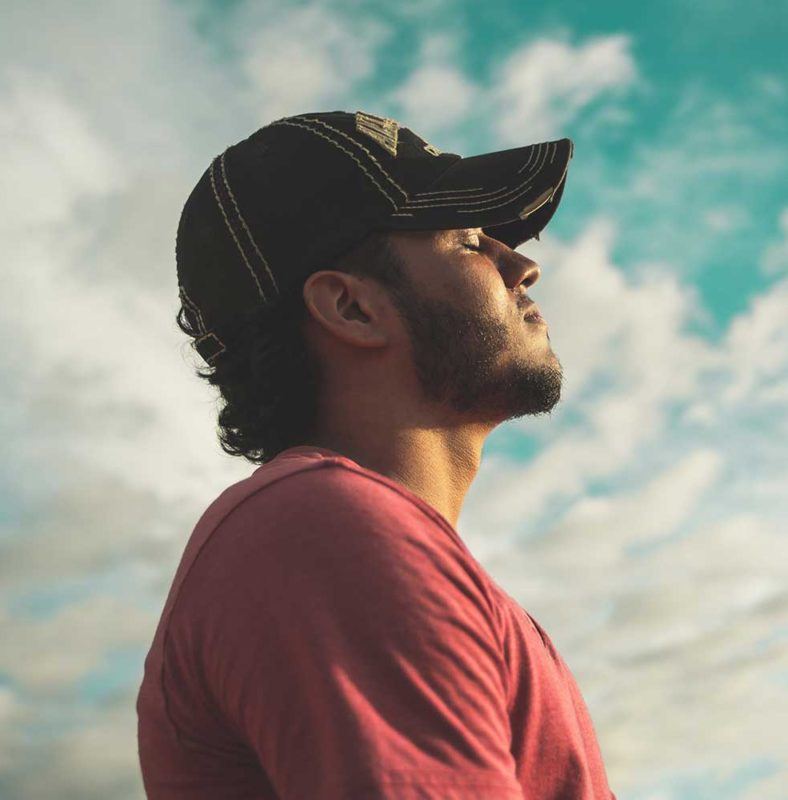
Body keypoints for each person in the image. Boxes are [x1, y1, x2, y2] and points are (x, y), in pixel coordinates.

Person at [136, 110, 617, 799]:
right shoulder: (324, 530)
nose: (523, 265)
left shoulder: (343, 536)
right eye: (467, 241)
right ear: (352, 309)